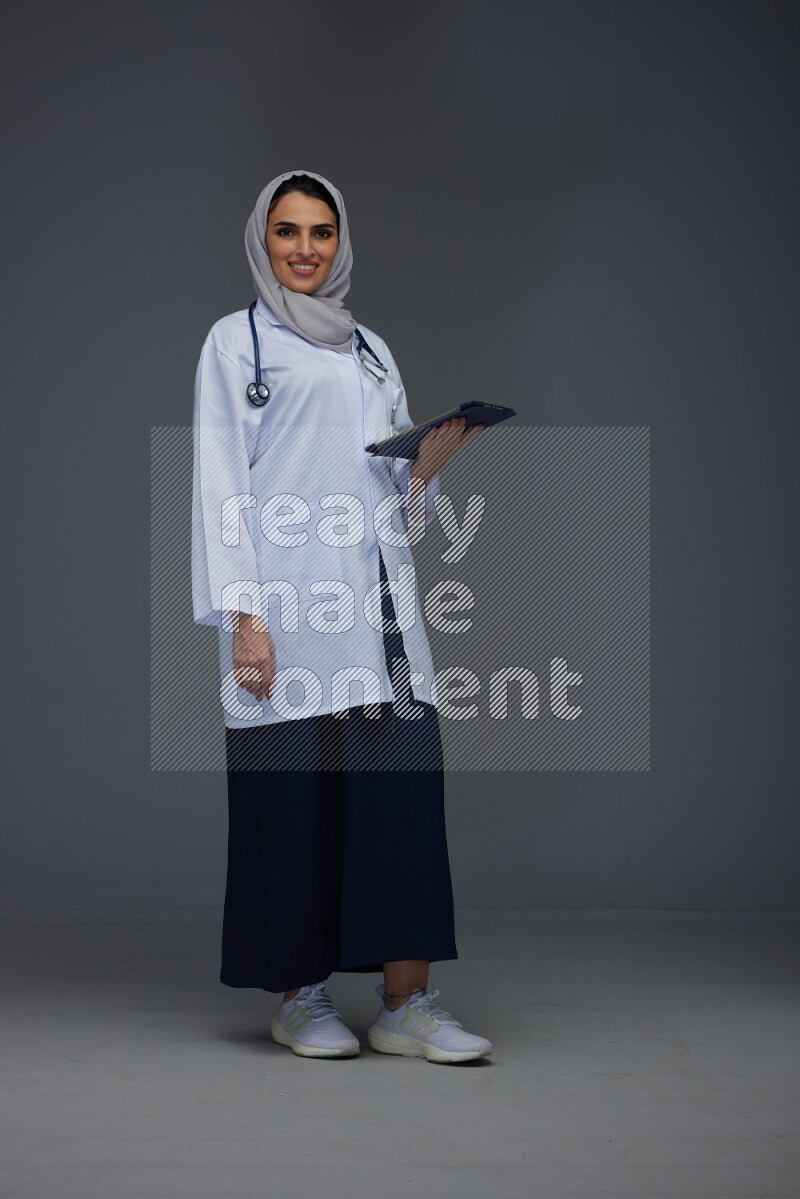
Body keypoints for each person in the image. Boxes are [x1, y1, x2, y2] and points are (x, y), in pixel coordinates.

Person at [191, 169, 492, 1064]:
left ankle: (407, 1004)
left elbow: (393, 496)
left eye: (321, 232)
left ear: (340, 240)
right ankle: (300, 997)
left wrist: (426, 469)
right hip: (288, 606)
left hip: (382, 606)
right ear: (262, 240)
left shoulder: (370, 348)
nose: (306, 250)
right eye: (288, 232)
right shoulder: (234, 345)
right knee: (294, 801)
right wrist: (244, 615)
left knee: (400, 798)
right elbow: (219, 484)